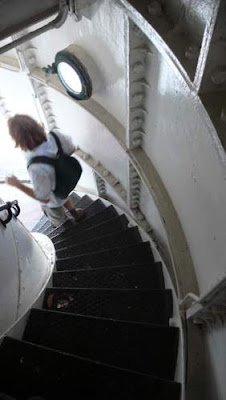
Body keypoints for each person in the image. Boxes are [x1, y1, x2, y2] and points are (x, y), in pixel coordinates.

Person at [5, 114, 85, 227]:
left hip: (53, 199)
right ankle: (75, 213)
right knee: (64, 197)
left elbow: (44, 198)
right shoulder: (55, 135)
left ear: (18, 140)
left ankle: (67, 224)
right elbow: (71, 149)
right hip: (64, 183)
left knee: (57, 217)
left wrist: (18, 185)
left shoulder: (34, 165)